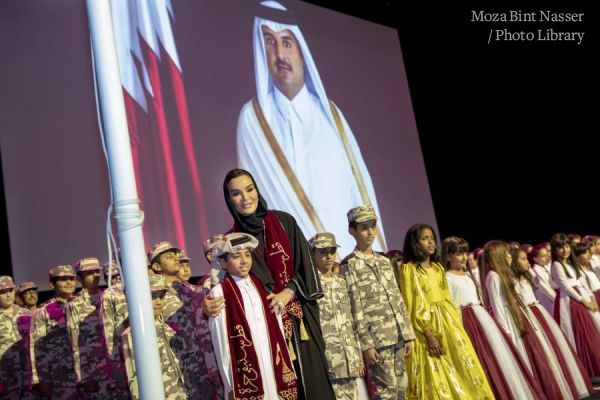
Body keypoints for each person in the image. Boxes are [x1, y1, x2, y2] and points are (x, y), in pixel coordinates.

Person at [236, 0, 386, 258]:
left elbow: (357, 189)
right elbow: (258, 205)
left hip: (349, 260)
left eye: (286, 42)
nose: (280, 55)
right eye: (270, 42)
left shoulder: (331, 116)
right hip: (295, 264)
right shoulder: (252, 119)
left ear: (301, 50)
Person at [204, 168, 334, 400]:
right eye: (236, 194)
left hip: (298, 323)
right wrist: (208, 306)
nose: (245, 198)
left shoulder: (284, 222)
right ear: (229, 200)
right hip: (261, 330)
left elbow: (306, 267)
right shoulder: (232, 240)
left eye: (249, 189)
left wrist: (288, 292)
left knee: (312, 388)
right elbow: (226, 285)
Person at [441, 238, 544, 400]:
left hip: (480, 318)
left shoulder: (468, 275)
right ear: (448, 257)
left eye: (464, 254)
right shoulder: (447, 277)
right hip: (465, 319)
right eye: (458, 254)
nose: (463, 258)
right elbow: (451, 304)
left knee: (494, 357)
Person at [400, 224, 493, 400]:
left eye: (432, 238)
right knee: (437, 373)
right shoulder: (409, 269)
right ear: (415, 243)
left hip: (448, 323)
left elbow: (448, 300)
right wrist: (428, 333)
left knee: (462, 367)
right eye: (424, 238)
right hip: (427, 328)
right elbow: (414, 303)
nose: (430, 242)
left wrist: (456, 326)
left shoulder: (437, 268)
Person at [208, 232, 297, 400]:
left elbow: (278, 332)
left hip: (271, 366)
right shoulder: (220, 292)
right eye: (236, 256)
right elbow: (221, 342)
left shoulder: (263, 287)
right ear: (223, 263)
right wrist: (231, 384)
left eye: (247, 255)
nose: (244, 261)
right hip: (244, 374)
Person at [342, 205, 415, 399]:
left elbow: (396, 297)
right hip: (377, 339)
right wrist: (366, 345)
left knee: (402, 390)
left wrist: (407, 334)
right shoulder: (350, 264)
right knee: (386, 393)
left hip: (397, 334)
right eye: (364, 227)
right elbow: (354, 308)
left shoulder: (384, 261)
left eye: (372, 226)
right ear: (352, 231)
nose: (370, 232)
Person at [483, 240, 566, 400]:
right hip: (511, 320)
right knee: (523, 356)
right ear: (498, 256)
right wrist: (505, 330)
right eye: (506, 253)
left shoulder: (505, 273)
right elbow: (497, 306)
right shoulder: (493, 276)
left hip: (520, 316)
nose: (509, 256)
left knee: (535, 353)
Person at [510, 247, 593, 399]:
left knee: (553, 349)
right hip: (530, 314)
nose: (526, 262)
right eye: (522, 259)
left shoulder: (527, 277)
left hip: (538, 312)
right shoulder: (513, 280)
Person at [149, 241, 213, 398]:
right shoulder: (153, 294)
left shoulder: (195, 290)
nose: (176, 259)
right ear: (157, 267)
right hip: (176, 366)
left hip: (203, 361)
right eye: (169, 257)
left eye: (176, 256)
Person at [310, 232, 367, 400]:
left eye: (332, 251)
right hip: (328, 360)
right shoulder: (310, 286)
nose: (328, 256)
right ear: (312, 253)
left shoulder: (343, 282)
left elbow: (353, 322)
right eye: (322, 251)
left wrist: (358, 356)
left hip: (350, 358)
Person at [122, 275, 188, 399]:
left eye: (161, 296)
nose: (159, 302)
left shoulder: (167, 327)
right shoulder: (134, 334)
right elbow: (133, 378)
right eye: (152, 297)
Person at [550, 233, 600, 377]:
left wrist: (592, 299)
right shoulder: (556, 265)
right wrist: (584, 302)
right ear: (554, 250)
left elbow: (581, 282)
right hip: (571, 302)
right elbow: (566, 287)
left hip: (582, 297)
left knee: (592, 332)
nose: (564, 250)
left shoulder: (570, 263)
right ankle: (589, 370)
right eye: (560, 248)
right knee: (581, 334)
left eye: (566, 246)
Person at [29, 265, 81, 399]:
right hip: (61, 376)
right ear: (52, 283)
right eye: (63, 279)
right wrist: (40, 379)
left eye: (71, 278)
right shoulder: (43, 312)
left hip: (88, 371)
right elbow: (37, 347)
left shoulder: (83, 305)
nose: (69, 282)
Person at [67, 257, 111, 398]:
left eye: (97, 272)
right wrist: (84, 377)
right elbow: (74, 341)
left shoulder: (110, 297)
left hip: (115, 366)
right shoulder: (74, 304)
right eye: (90, 273)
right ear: (79, 278)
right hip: (94, 370)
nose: (96, 276)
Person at [100, 260, 130, 398]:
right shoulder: (109, 294)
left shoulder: (132, 288)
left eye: (119, 274)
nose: (117, 278)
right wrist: (116, 365)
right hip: (123, 353)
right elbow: (108, 332)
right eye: (112, 276)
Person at [0, 276, 33, 400]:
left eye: (10, 290)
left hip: (29, 378)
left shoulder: (27, 313)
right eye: (2, 292)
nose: (8, 295)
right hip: (6, 380)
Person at [528, 243, 556, 315]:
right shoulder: (536, 271)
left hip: (553, 298)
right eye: (543, 256)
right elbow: (545, 289)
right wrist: (557, 300)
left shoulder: (547, 266)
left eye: (547, 255)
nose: (547, 257)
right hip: (547, 300)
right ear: (535, 259)